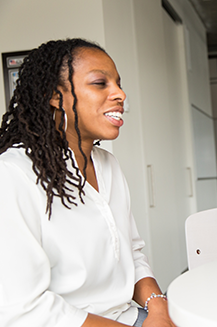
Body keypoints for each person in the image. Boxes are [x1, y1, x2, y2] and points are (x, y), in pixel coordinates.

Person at [0, 39, 175, 327]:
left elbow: (132, 253)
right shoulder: (13, 174)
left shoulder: (109, 166)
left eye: (118, 84)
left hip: (130, 317)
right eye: (100, 83)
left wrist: (158, 310)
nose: (120, 93)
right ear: (55, 96)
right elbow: (23, 309)